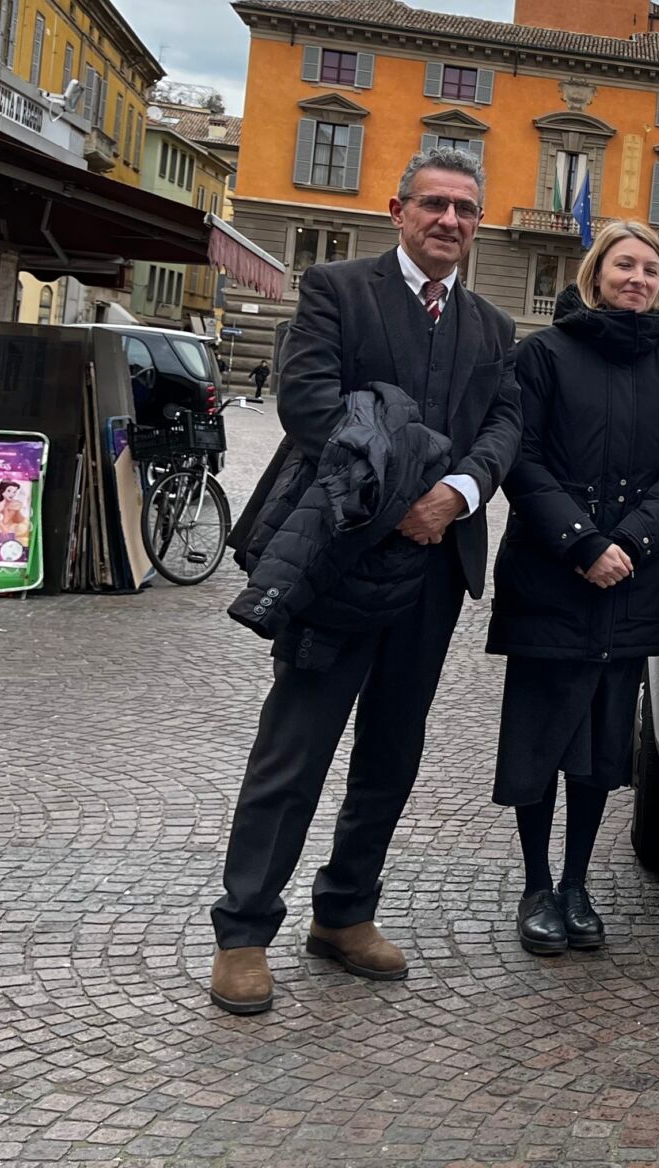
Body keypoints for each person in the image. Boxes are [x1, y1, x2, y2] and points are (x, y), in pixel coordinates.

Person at [209, 147, 521, 1014]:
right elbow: (309, 405)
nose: (449, 220)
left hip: (435, 564)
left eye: (465, 208)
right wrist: (401, 501)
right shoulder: (336, 290)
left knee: (391, 751)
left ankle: (345, 912)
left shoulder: (492, 327)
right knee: (295, 747)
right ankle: (243, 930)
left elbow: (503, 427)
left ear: (477, 222)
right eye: (434, 204)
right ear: (398, 210)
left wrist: (458, 495)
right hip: (339, 557)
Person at [486, 221, 659, 956]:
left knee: (600, 749)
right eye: (624, 265)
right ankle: (536, 885)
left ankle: (577, 884)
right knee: (541, 741)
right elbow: (522, 459)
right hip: (552, 577)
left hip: (630, 584)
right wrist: (582, 543)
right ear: (596, 273)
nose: (637, 279)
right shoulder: (543, 353)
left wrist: (631, 543)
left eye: (651, 270)